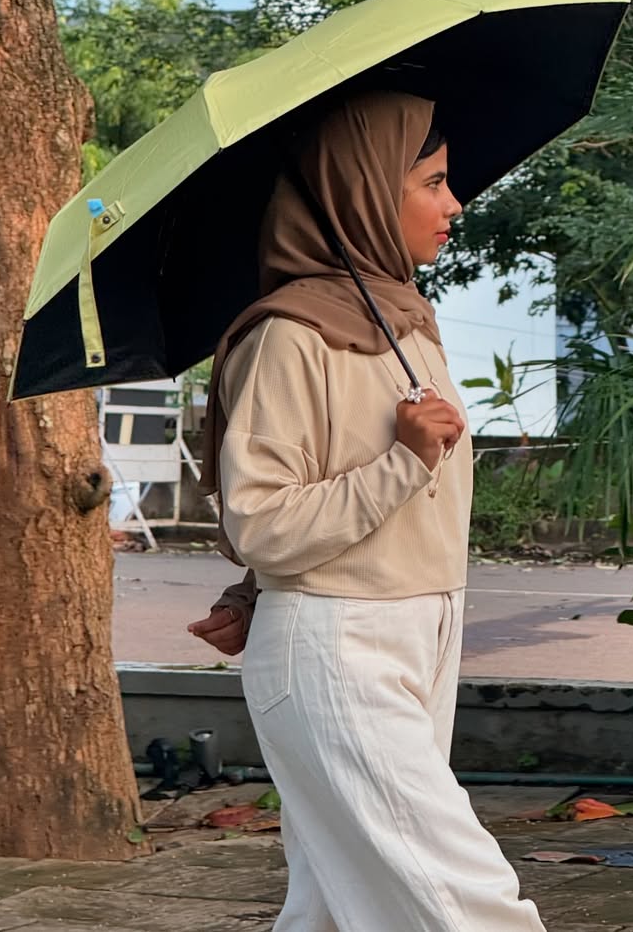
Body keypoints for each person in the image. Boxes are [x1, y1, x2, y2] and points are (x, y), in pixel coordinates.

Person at [188, 91, 547, 932]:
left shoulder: (408, 323)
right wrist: (404, 460)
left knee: (339, 905)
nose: (454, 204)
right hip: (340, 646)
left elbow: (309, 508)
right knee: (463, 897)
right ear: (363, 191)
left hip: (418, 632)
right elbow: (264, 522)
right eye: (433, 181)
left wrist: (248, 593)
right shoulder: (289, 336)